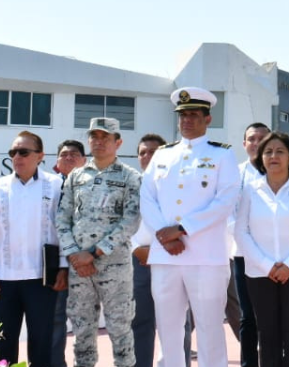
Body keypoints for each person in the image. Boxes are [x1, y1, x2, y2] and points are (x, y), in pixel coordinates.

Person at [139, 87, 240, 367]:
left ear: (207, 119)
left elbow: (225, 200)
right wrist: (164, 234)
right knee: (168, 327)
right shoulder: (162, 155)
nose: (186, 120)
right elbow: (147, 197)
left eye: (194, 115)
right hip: (166, 255)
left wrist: (181, 229)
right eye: (182, 115)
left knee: (209, 327)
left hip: (206, 257)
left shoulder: (222, 155)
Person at [57, 118, 141, 367]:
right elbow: (62, 218)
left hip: (114, 267)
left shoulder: (130, 177)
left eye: (106, 137)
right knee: (82, 329)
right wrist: (74, 254)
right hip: (79, 268)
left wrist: (93, 253)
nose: (99, 141)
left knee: (120, 329)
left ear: (118, 143)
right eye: (95, 136)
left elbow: (131, 220)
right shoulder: (76, 176)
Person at [0, 131, 68, 367]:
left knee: (42, 343)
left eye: (23, 152)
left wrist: (63, 266)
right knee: (4, 344)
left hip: (42, 277)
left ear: (40, 155)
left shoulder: (56, 184)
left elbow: (63, 229)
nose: (17, 157)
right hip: (4, 278)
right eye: (13, 152)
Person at [235, 132, 289, 367]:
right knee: (267, 335)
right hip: (260, 273)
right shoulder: (250, 190)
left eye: (280, 151)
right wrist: (267, 265)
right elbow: (241, 232)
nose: (273, 156)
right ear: (260, 158)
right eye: (268, 152)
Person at [131, 134, 194, 367]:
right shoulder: (129, 184)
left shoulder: (180, 185)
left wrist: (162, 248)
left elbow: (184, 223)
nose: (147, 156)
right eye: (143, 152)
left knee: (178, 322)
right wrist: (136, 248)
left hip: (172, 258)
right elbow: (119, 224)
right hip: (140, 260)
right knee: (140, 321)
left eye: (153, 151)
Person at [232, 122, 269, 367]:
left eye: (261, 139)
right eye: (251, 139)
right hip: (243, 254)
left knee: (272, 316)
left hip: (275, 256)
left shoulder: (284, 173)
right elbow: (229, 216)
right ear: (244, 143)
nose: (256, 143)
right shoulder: (234, 175)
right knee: (248, 317)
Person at [52, 138, 86, 367]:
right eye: (64, 154)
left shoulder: (95, 186)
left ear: (84, 160)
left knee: (86, 321)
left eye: (74, 154)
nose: (69, 157)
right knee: (55, 319)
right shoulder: (49, 187)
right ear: (56, 161)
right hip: (57, 265)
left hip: (89, 263)